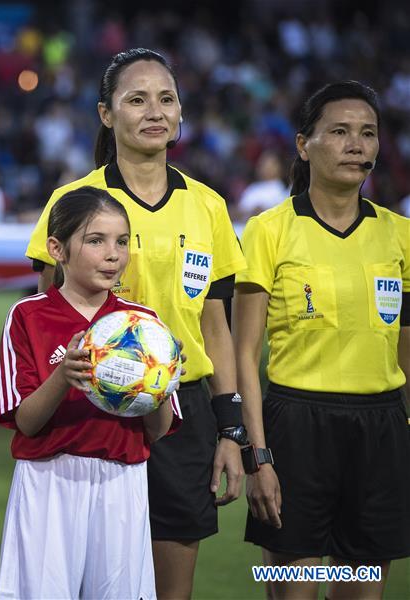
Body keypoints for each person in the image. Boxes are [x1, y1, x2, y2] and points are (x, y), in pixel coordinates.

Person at [25, 48, 248, 599]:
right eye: (136, 99)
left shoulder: (209, 207)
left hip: (180, 410)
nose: (155, 111)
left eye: (166, 99)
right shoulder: (72, 202)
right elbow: (46, 318)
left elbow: (214, 326)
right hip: (92, 410)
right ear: (106, 114)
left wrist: (230, 428)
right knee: (88, 584)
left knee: (171, 586)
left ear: (180, 113)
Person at [234, 80, 410, 599]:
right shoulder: (269, 230)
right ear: (303, 144)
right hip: (296, 430)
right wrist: (258, 457)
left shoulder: (400, 234)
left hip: (380, 431)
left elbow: (406, 344)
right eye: (339, 131)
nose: (357, 144)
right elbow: (245, 350)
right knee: (293, 588)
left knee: (362, 590)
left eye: (368, 133)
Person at [0, 186, 182, 599]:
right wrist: (63, 376)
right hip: (49, 480)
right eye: (95, 241)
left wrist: (159, 386)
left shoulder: (144, 325)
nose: (113, 254)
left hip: (122, 479)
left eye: (121, 241)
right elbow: (26, 421)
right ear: (56, 249)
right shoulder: (28, 315)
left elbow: (157, 430)